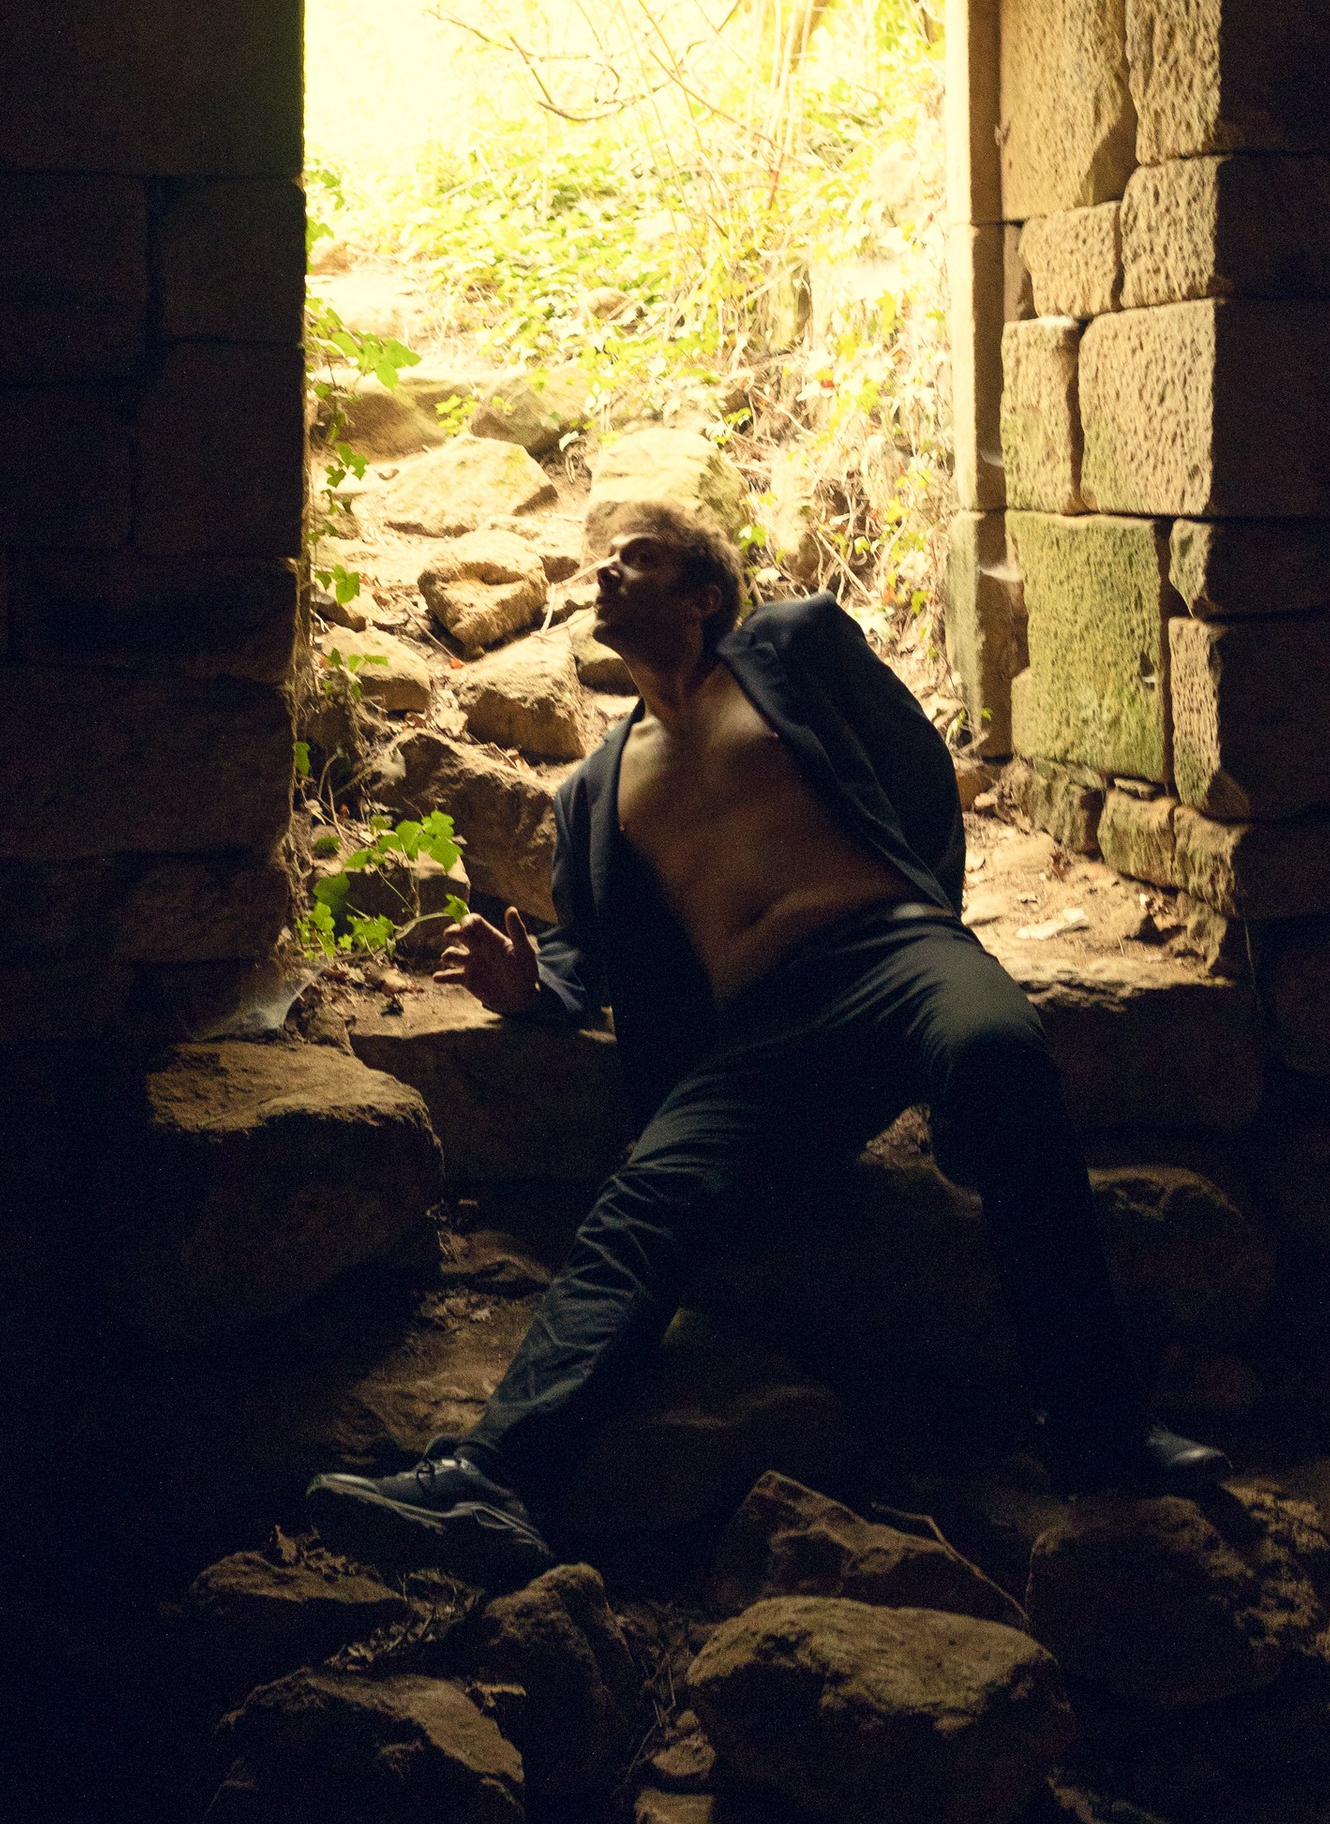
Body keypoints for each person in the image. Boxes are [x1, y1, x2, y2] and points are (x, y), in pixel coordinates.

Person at [307, 501, 1226, 1584]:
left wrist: (923, 906)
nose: (604, 572)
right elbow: (597, 955)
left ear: (702, 595)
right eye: (602, 559)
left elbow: (917, 775)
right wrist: (533, 986)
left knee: (996, 1051)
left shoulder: (794, 648)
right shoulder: (594, 791)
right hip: (758, 1037)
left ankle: (1100, 1433)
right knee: (642, 1202)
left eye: (636, 558)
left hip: (891, 951)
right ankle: (493, 1479)